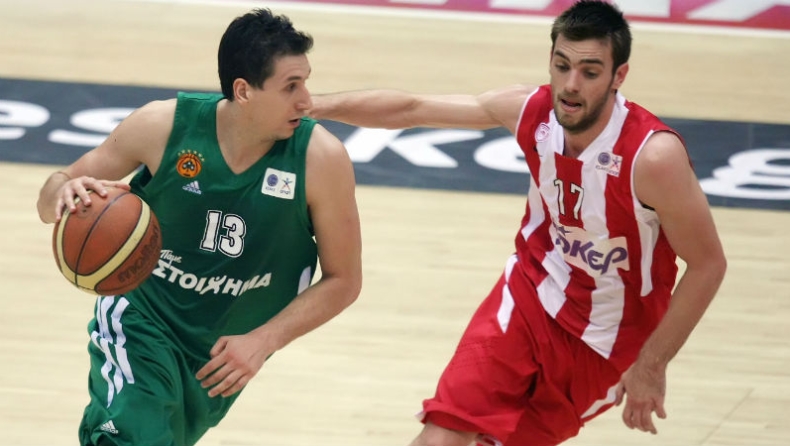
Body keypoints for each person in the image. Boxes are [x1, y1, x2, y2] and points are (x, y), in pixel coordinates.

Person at [309, 1, 726, 445]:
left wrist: (652, 365)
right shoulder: (529, 110)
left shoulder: (653, 157)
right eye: (562, 66)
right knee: (441, 433)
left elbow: (707, 265)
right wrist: (312, 106)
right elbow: (410, 109)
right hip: (529, 294)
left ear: (618, 76)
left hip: (608, 341)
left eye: (589, 72)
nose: (571, 84)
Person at [36, 8, 362, 446]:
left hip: (218, 356)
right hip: (142, 321)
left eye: (305, 82)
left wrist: (264, 340)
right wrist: (64, 190)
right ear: (243, 91)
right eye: (290, 86)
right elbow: (51, 197)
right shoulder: (162, 126)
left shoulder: (321, 160)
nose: (306, 100)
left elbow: (344, 280)